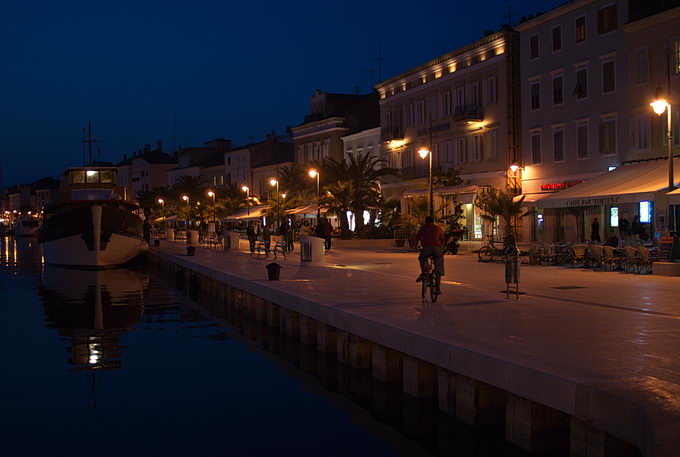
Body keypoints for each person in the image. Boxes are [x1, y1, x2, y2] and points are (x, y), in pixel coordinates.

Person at [415, 216, 445, 294]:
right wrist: (442, 247)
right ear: (433, 221)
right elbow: (442, 239)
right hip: (437, 249)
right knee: (438, 268)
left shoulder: (423, 228)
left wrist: (415, 247)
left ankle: (424, 273)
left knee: (421, 258)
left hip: (427, 248)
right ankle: (437, 288)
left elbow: (417, 237)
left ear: (426, 222)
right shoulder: (438, 228)